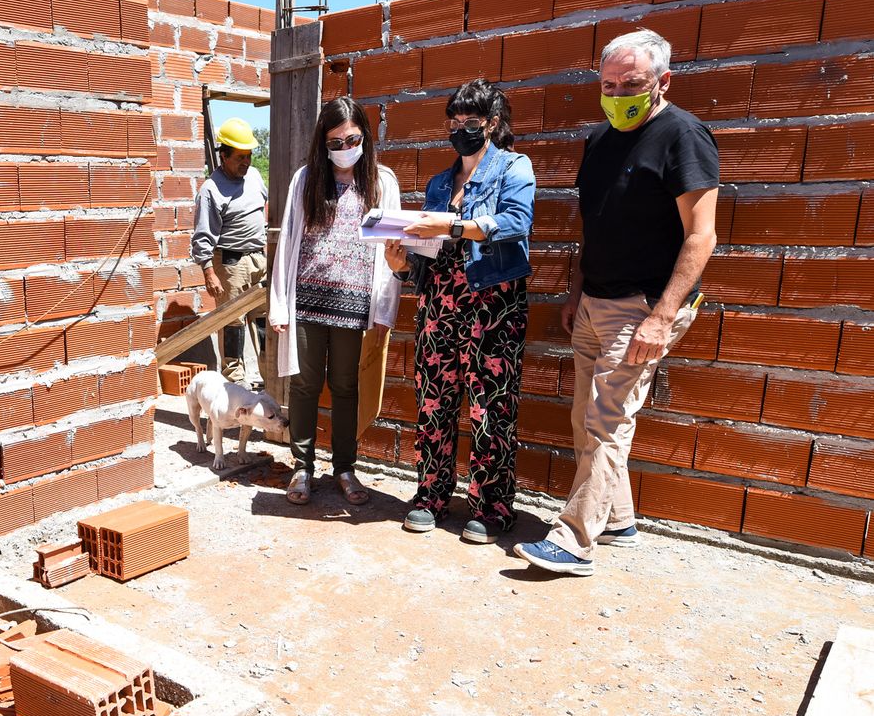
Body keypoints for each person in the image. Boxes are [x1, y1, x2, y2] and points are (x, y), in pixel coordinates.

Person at [516, 29, 719, 575]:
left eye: (630, 84)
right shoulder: (600, 139)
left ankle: (575, 541)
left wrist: (662, 316)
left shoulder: (684, 136)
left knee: (608, 420)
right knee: (588, 420)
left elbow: (702, 236)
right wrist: (577, 291)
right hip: (594, 301)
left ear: (662, 82)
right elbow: (594, 222)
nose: (616, 94)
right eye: (607, 84)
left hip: (645, 307)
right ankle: (620, 520)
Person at [383, 79, 536, 545]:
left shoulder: (515, 167)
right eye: (454, 121)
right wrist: (401, 264)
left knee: (491, 408)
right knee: (433, 404)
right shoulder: (438, 182)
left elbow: (515, 222)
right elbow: (429, 254)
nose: (460, 129)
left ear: (492, 123)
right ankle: (431, 495)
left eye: (470, 121)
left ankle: (491, 508)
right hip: (439, 308)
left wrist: (451, 223)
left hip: (493, 307)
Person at [269, 96, 401, 506]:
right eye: (335, 142)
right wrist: (280, 304)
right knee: (305, 386)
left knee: (346, 387)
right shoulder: (306, 179)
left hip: (354, 303)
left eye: (353, 139)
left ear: (365, 136)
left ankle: (345, 467)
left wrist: (384, 309)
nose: (345, 148)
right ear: (322, 143)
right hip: (306, 301)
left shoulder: (382, 182)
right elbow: (289, 239)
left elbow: (391, 250)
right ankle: (302, 467)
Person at [192, 116, 269, 386]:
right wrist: (208, 272)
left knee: (264, 320)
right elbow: (202, 236)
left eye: (248, 156)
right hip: (231, 265)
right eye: (239, 157)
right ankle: (235, 383)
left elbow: (265, 208)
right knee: (232, 323)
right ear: (223, 155)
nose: (246, 163)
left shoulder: (255, 176)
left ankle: (269, 376)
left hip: (259, 258)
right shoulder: (211, 190)